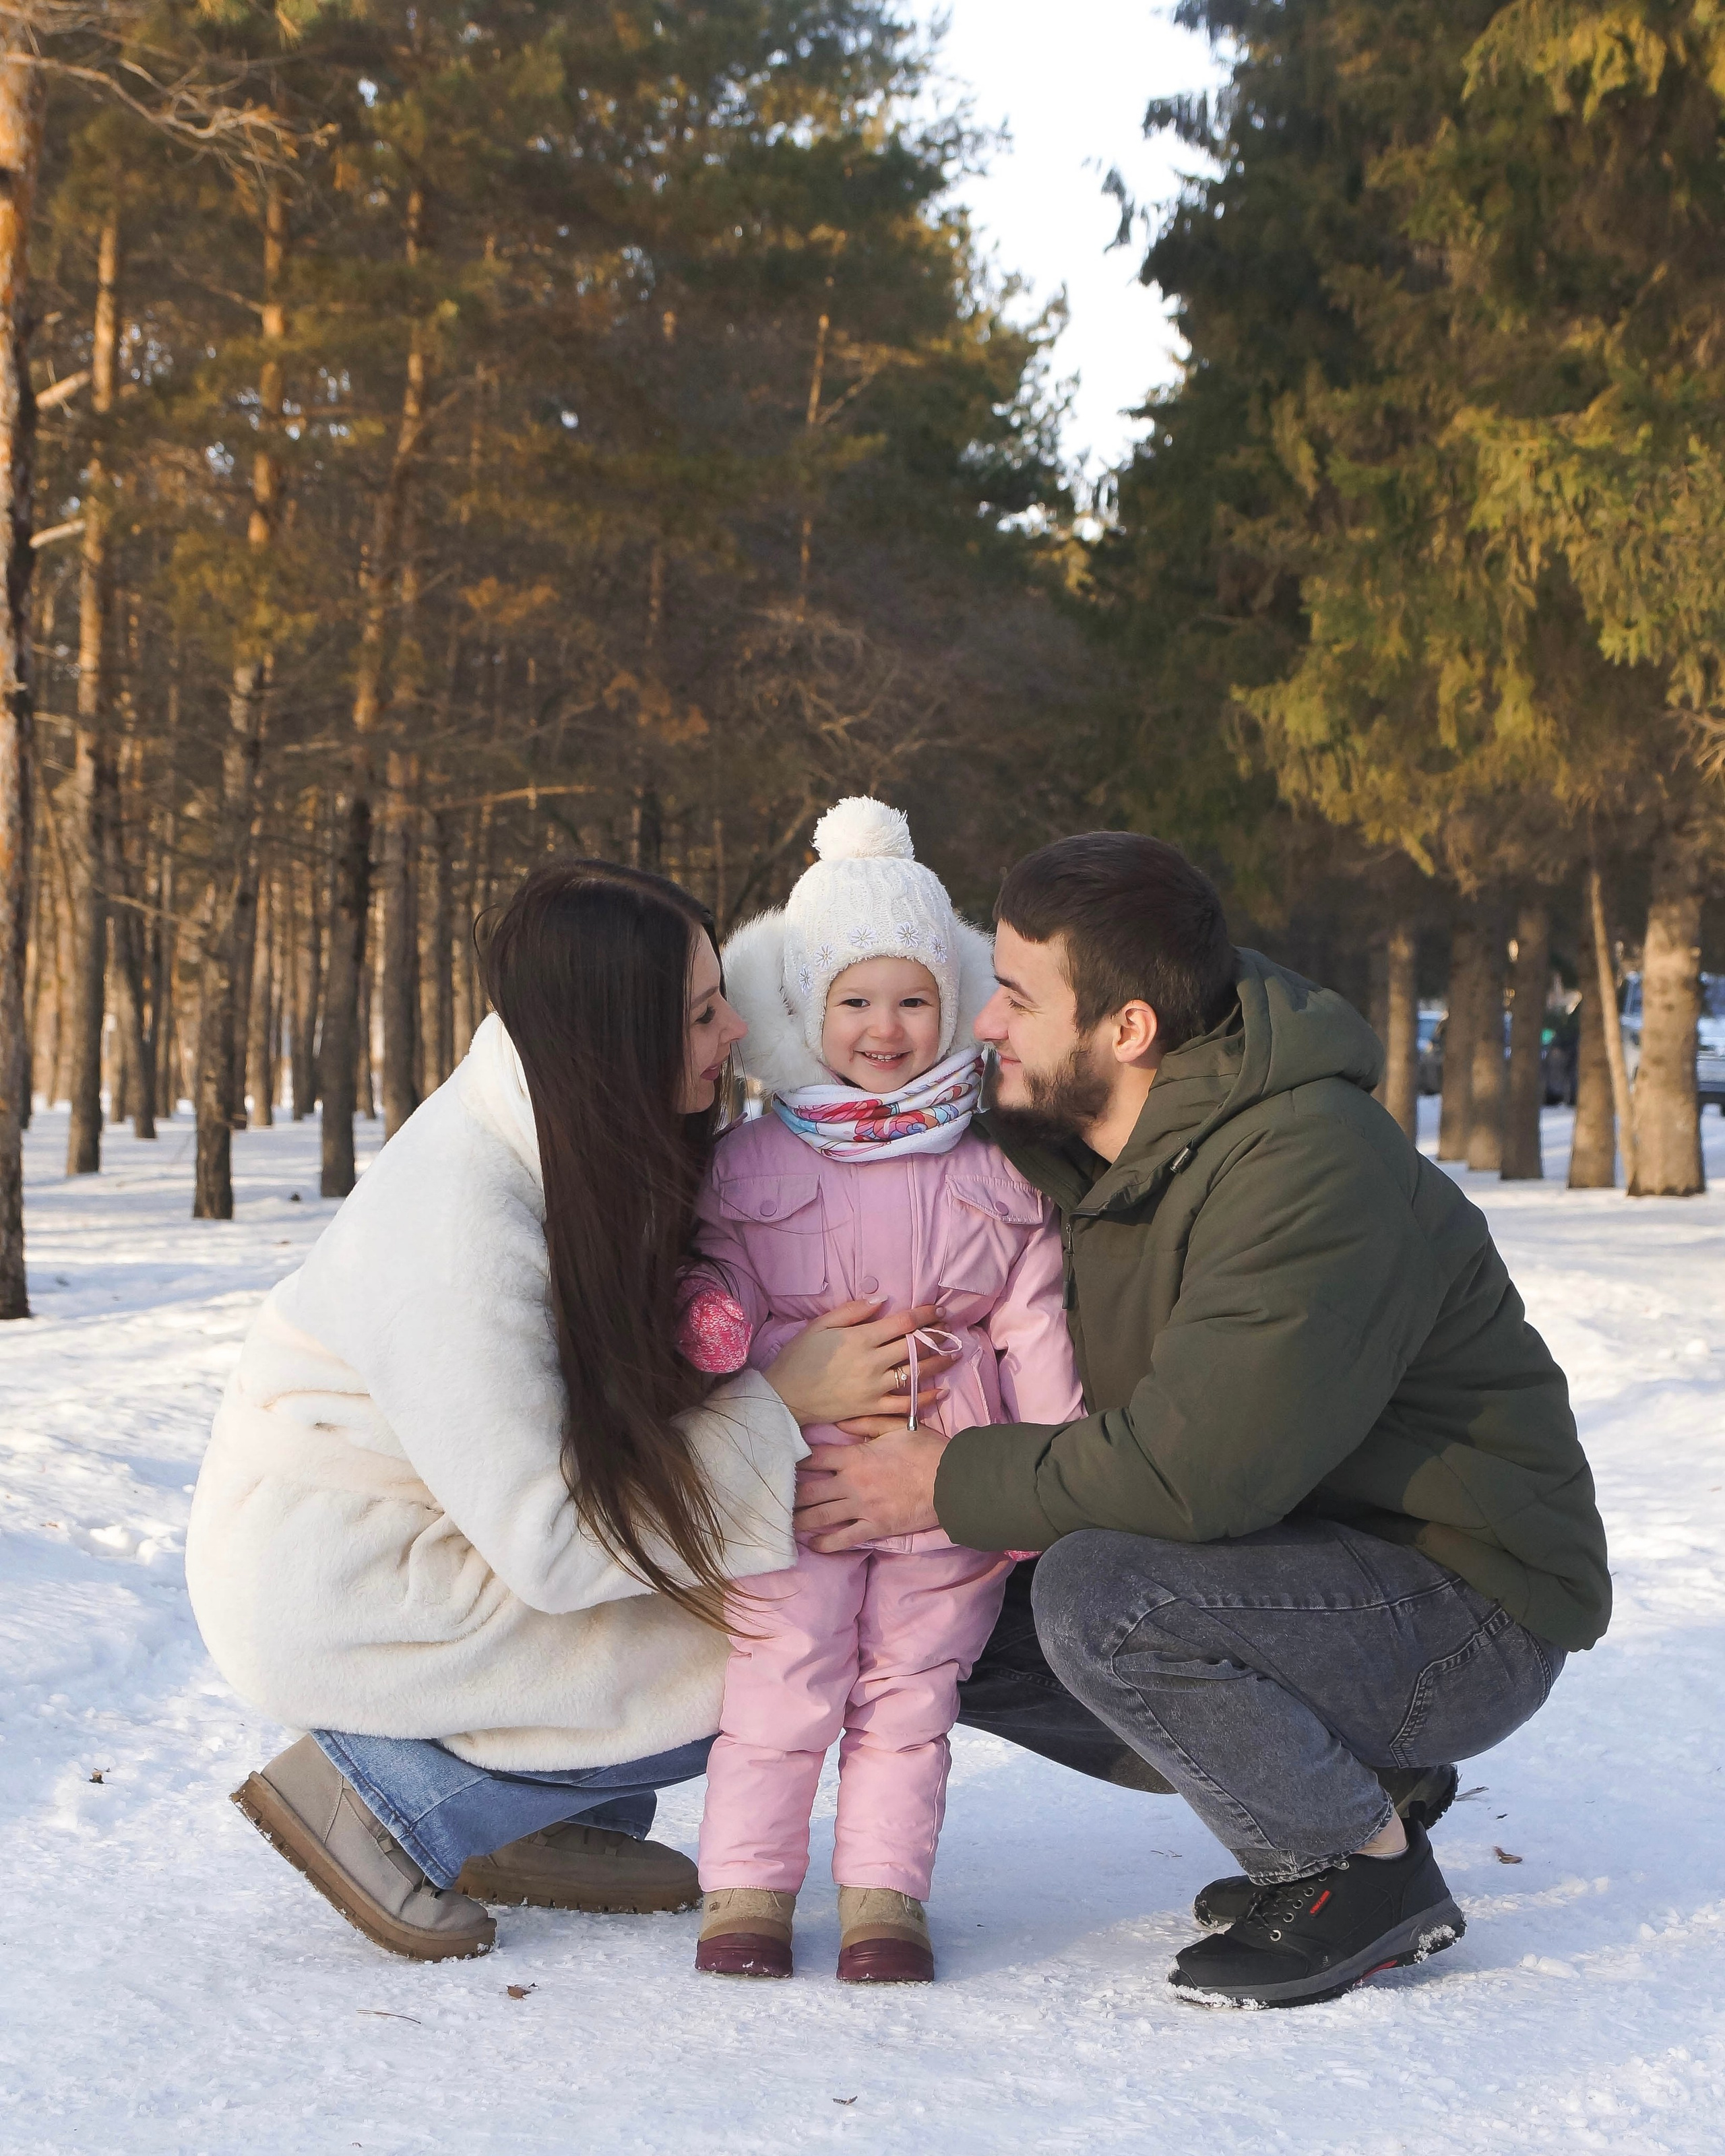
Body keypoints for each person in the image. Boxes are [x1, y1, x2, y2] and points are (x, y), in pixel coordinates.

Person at [794, 831, 1611, 2009]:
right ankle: (1348, 1785)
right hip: (1305, 1553)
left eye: (1016, 997)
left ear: (1127, 1031)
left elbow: (1196, 1478)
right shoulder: (1076, 1126)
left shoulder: (1310, 1167)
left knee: (1102, 1598)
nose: (984, 1024)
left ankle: (1358, 1866)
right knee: (946, 1601)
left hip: (1462, 1609)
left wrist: (940, 1477)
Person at [186, 859, 944, 1963]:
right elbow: (548, 1541)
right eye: (697, 1013)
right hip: (351, 1583)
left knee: (792, 1601)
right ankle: (383, 1799)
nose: (735, 1027)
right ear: (609, 1036)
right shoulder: (457, 1227)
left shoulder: (576, 1124)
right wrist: (783, 1405)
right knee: (781, 1639)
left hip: (442, 1540)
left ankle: (550, 1818)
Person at [681, 798, 1082, 1984]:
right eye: (855, 1001)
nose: (886, 1028)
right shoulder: (749, 1160)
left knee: (912, 1691)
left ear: (950, 1009)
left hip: (947, 1478)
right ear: (809, 1011)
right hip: (793, 1480)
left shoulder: (993, 1166)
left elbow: (1032, 1315)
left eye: (913, 1000)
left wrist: (1047, 1475)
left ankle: (884, 1902)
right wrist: (717, 1336)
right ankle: (744, 1893)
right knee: (783, 1675)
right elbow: (718, 1286)